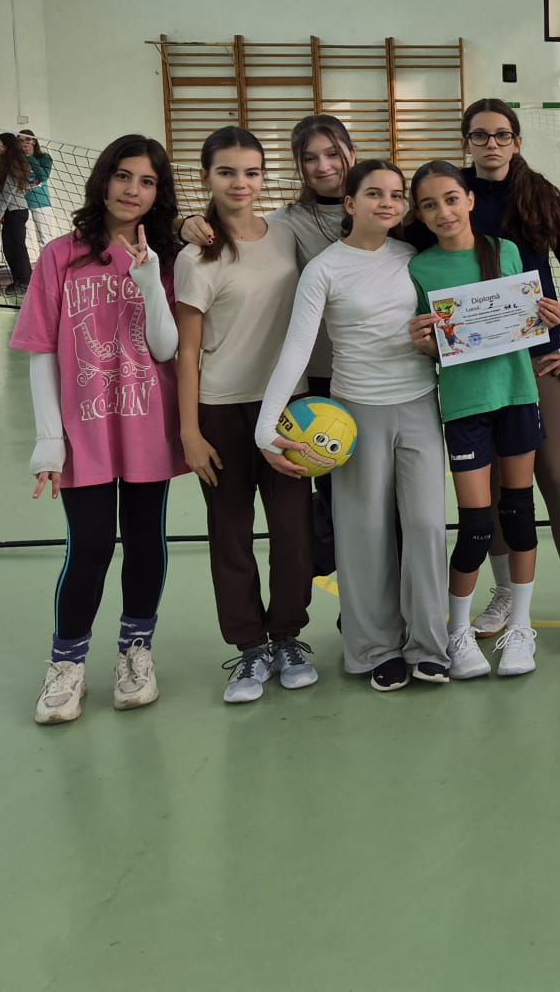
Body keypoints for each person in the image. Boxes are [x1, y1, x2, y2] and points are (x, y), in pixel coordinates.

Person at [256, 160, 450, 692]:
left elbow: (446, 328)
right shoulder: (324, 269)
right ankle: (373, 650)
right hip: (355, 413)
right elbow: (297, 348)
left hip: (419, 405)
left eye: (396, 195)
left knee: (427, 527)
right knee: (364, 533)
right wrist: (266, 425)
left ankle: (429, 646)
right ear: (350, 203)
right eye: (374, 194)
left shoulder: (411, 258)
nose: (387, 203)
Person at [11, 135, 184, 725]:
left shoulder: (165, 257)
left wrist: (150, 281)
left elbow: (166, 348)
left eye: (147, 181)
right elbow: (41, 350)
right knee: (88, 545)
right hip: (82, 430)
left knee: (145, 540)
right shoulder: (61, 255)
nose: (133, 190)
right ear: (103, 179)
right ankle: (67, 664)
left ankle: (136, 651)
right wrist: (48, 439)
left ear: (159, 193)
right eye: (123, 176)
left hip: (146, 425)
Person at [173, 127, 319, 704]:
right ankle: (250, 647)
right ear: (206, 177)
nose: (241, 183)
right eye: (227, 172)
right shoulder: (195, 256)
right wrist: (190, 431)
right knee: (230, 533)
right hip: (221, 411)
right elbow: (188, 349)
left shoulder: (286, 235)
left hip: (287, 409)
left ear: (264, 177)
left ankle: (287, 637)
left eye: (252, 172)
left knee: (293, 532)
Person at [181, 114, 359, 578]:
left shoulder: (383, 206)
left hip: (373, 376)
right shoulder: (287, 224)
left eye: (333, 153)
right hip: (307, 382)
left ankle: (370, 597)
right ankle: (340, 591)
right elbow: (231, 231)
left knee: (368, 501)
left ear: (352, 153)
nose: (323, 165)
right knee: (323, 498)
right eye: (310, 158)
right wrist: (185, 224)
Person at [406, 160, 560, 679]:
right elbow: (434, 344)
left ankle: (520, 627)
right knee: (476, 525)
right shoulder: (419, 269)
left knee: (518, 513)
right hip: (465, 405)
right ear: (419, 214)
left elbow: (527, 318)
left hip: (516, 395)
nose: (444, 211)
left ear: (469, 200)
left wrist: (550, 317)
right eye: (430, 205)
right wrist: (426, 344)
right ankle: (457, 632)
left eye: (452, 199)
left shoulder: (506, 251)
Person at [458, 99, 560, 650]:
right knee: (493, 483)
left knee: (554, 473)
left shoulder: (539, 197)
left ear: (517, 142)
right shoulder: (455, 196)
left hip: (537, 359)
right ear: (467, 143)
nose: (491, 144)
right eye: (480, 135)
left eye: (502, 135)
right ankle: (503, 593)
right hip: (476, 362)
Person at [0, 131, 35, 291]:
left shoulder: (13, 164)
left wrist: (0, 212)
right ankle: (18, 279)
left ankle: (25, 281)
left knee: (17, 247)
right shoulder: (5, 163)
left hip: (16, 210)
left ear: (7, 147)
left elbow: (9, 191)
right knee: (9, 248)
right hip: (12, 210)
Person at [21, 128, 58, 260]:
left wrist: (30, 157)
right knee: (24, 238)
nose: (24, 143)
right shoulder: (17, 160)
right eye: (21, 140)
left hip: (40, 201)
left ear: (34, 142)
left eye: (27, 140)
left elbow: (43, 176)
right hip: (21, 202)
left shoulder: (44, 158)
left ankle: (47, 264)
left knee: (44, 237)